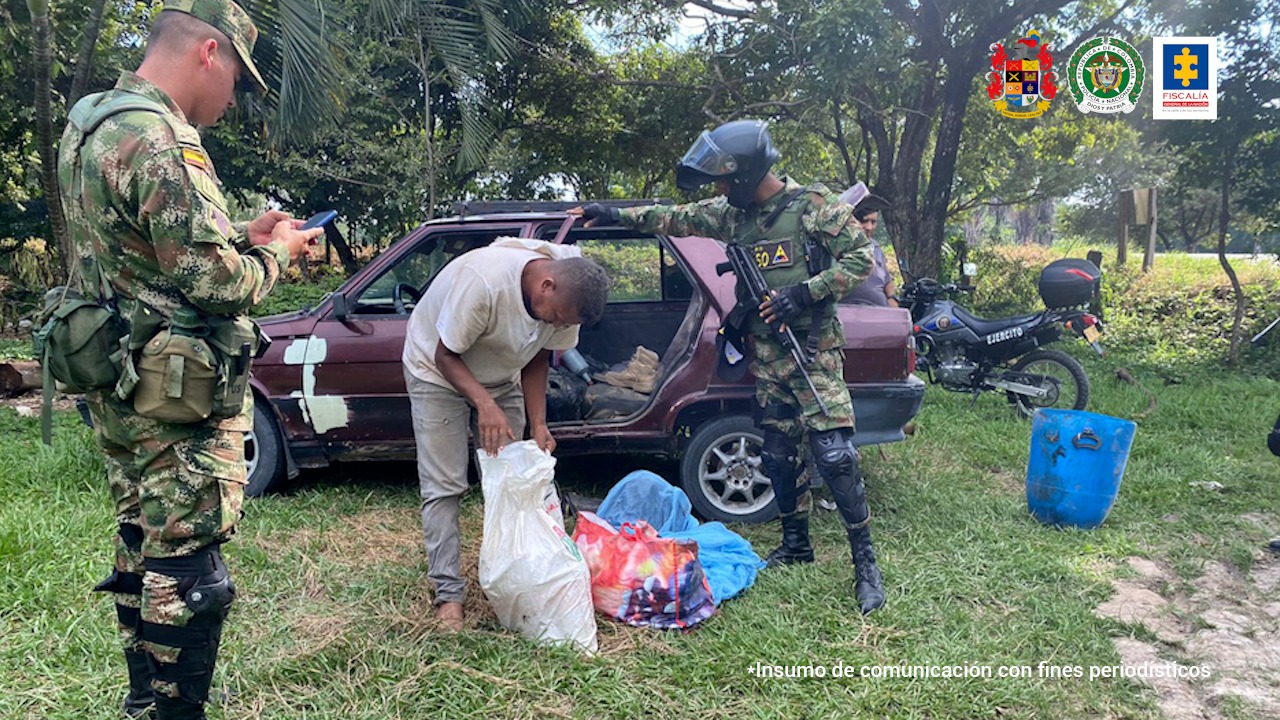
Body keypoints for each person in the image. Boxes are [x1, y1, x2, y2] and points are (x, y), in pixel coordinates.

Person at [55, 2, 320, 718]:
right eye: (237, 76)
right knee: (188, 564)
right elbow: (217, 283)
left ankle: (147, 696)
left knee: (141, 536)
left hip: (116, 377)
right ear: (209, 52)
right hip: (174, 395)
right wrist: (278, 251)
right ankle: (178, 708)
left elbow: (140, 243)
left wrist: (238, 229)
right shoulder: (165, 140)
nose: (233, 98)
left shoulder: (94, 121)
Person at [574, 119, 887, 615]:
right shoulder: (731, 215)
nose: (719, 189)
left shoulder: (813, 208)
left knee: (834, 456)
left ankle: (866, 565)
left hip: (812, 353)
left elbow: (859, 259)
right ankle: (796, 544)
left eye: (723, 179)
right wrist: (611, 212)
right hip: (766, 355)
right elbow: (672, 217)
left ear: (743, 174)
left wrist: (803, 294)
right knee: (779, 453)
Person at [402, 238, 610, 632]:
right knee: (444, 484)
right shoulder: (484, 283)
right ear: (545, 285)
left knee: (515, 477)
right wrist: (484, 405)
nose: (559, 326)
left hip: (500, 376)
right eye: (558, 317)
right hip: (434, 370)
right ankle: (448, 595)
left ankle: (520, 577)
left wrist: (539, 423)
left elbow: (538, 356)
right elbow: (445, 355)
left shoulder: (566, 301)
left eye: (566, 323)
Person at [840, 196, 899, 308]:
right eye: (864, 221)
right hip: (846, 315)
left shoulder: (875, 246)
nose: (869, 227)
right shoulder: (836, 248)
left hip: (880, 315)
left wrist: (892, 300)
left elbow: (887, 281)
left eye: (873, 222)